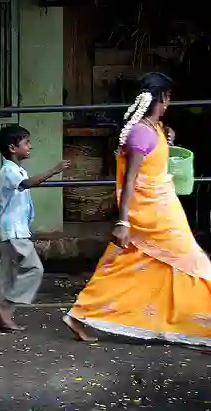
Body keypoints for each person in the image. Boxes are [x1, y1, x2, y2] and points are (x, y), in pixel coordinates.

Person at [63, 72, 211, 348]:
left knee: (131, 264)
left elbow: (153, 163)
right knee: (194, 261)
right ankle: (199, 323)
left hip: (161, 208)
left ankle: (81, 314)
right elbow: (131, 179)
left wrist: (168, 140)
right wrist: (123, 221)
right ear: (164, 98)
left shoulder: (153, 129)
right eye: (169, 98)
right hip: (154, 214)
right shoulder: (142, 133)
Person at [0, 125, 70, 330]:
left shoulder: (16, 169)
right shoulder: (9, 170)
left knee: (7, 274)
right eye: (26, 142)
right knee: (35, 269)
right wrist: (54, 170)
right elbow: (27, 184)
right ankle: (6, 306)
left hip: (14, 230)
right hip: (14, 230)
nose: (30, 146)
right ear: (12, 147)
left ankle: (0, 314)